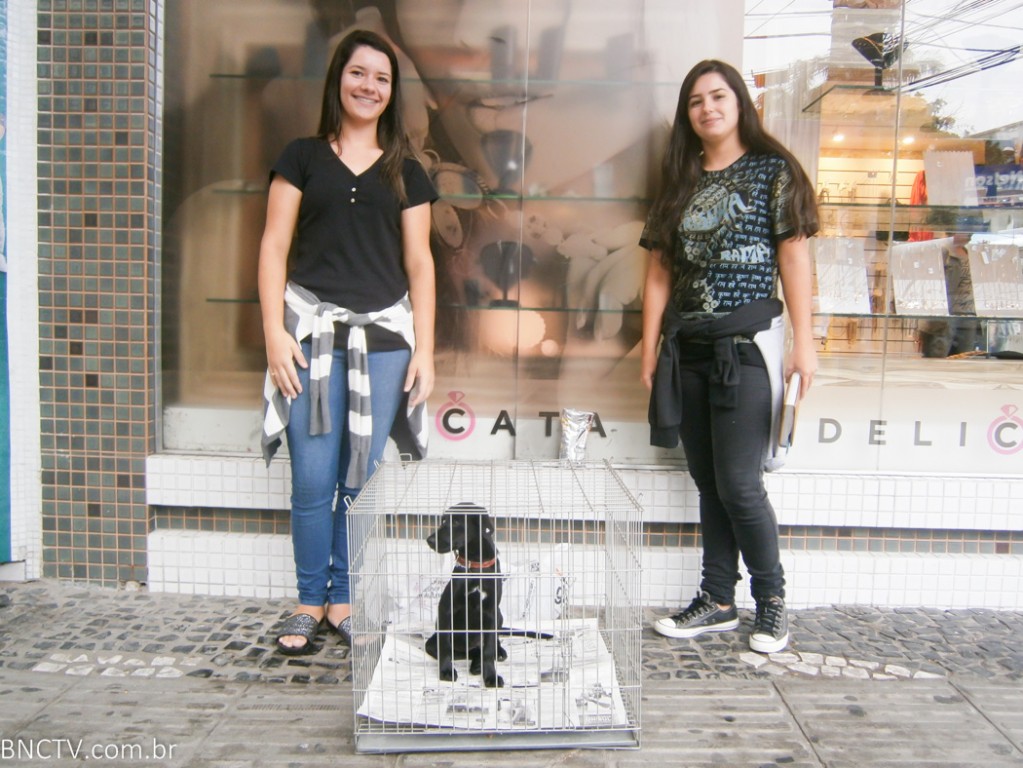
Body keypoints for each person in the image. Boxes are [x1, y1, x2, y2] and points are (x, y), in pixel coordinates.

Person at [258, 29, 436, 655]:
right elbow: (273, 247)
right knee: (312, 479)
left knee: (359, 481)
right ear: (339, 80)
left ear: (392, 92)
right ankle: (309, 602)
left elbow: (420, 264)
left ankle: (344, 599)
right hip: (309, 335)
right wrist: (273, 333)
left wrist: (426, 350)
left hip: (384, 343)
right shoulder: (302, 157)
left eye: (382, 79)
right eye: (359, 73)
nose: (369, 86)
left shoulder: (407, 171)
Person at [639, 60, 819, 654]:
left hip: (747, 349)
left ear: (740, 103)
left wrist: (804, 342)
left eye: (718, 96)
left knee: (740, 484)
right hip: (687, 349)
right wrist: (650, 347)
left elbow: (794, 258)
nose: (707, 108)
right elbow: (658, 271)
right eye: (695, 101)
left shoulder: (773, 171)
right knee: (708, 482)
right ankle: (717, 599)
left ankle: (771, 602)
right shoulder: (680, 181)